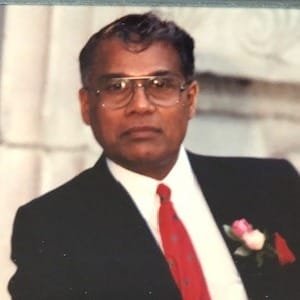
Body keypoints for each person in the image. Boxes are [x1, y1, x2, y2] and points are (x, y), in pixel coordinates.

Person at [8, 12, 300, 300]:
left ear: (190, 99)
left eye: (160, 85)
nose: (141, 105)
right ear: (86, 106)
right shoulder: (51, 226)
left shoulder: (272, 185)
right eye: (116, 87)